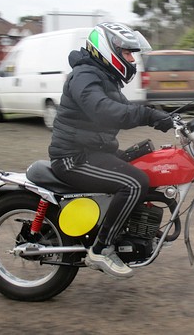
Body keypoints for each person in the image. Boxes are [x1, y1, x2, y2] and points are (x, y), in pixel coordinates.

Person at [48, 22, 173, 279]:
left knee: (143, 160)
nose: (131, 59)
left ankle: (134, 231)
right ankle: (102, 248)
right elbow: (105, 110)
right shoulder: (85, 76)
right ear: (108, 50)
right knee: (135, 182)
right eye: (127, 53)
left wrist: (164, 113)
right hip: (73, 157)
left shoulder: (104, 77)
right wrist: (149, 116)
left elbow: (126, 108)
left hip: (93, 151)